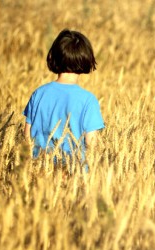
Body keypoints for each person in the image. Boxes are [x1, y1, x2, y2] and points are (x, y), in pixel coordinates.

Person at [23, 29, 104, 170]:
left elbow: (27, 136)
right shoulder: (88, 100)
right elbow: (92, 144)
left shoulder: (38, 94)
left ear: (54, 56)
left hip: (40, 172)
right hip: (75, 174)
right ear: (86, 58)